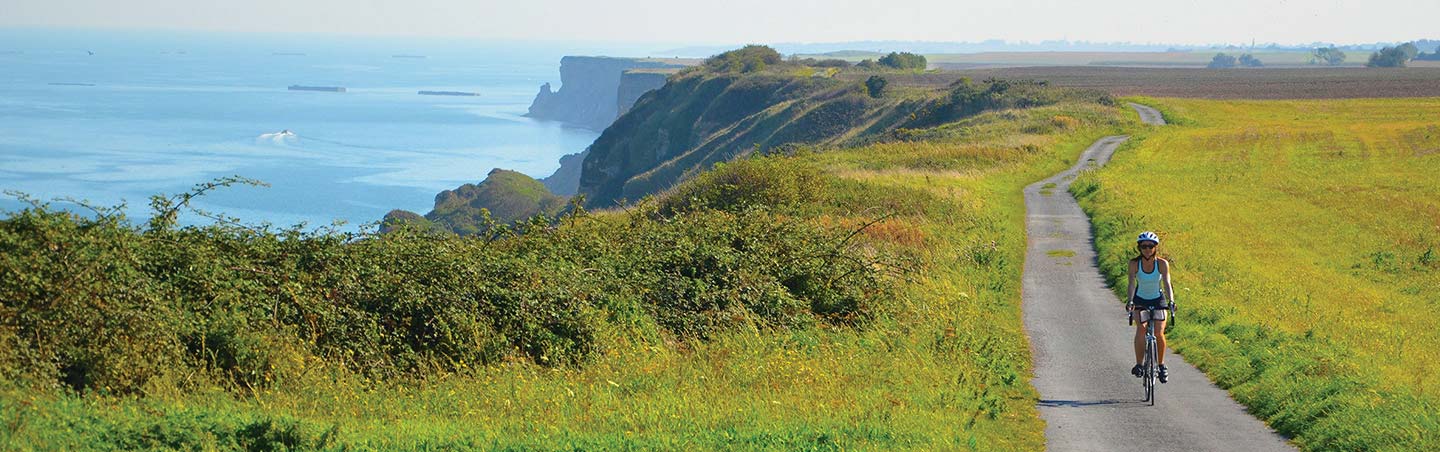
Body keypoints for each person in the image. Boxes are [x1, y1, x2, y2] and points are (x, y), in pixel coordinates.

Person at [1128, 231, 1175, 383]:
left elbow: (1167, 283)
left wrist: (1171, 301)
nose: (1147, 249)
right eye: (1144, 247)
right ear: (1139, 248)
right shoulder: (1134, 264)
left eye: (1150, 246)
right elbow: (1131, 284)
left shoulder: (1162, 264)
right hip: (1140, 300)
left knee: (1159, 332)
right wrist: (1130, 301)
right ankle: (1139, 364)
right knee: (1141, 329)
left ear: (1155, 247)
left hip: (1158, 300)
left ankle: (1161, 366)